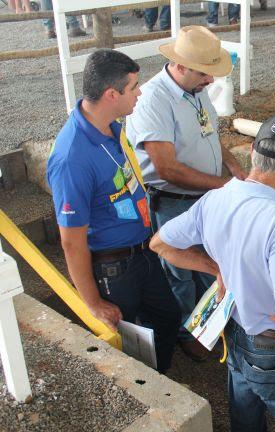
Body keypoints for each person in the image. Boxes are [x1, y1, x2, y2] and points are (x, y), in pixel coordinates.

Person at [150, 115, 275, 432]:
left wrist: (215, 268)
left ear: (254, 152)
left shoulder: (217, 198)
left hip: (235, 334)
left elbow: (160, 243)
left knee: (245, 422)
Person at [46, 49, 180, 373]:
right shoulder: (71, 158)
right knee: (124, 342)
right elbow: (71, 241)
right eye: (133, 87)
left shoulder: (113, 126)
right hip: (113, 268)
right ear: (111, 94)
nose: (140, 92)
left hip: (143, 251)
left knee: (167, 317)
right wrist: (93, 302)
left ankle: (158, 382)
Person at [126, 25, 246, 362]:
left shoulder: (196, 88)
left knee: (205, 263)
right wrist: (224, 185)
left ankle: (208, 324)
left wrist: (234, 167)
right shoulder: (153, 99)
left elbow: (209, 133)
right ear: (180, 66)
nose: (211, 81)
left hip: (203, 195)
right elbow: (167, 169)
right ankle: (187, 333)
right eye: (205, 73)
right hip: (173, 202)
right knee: (180, 271)